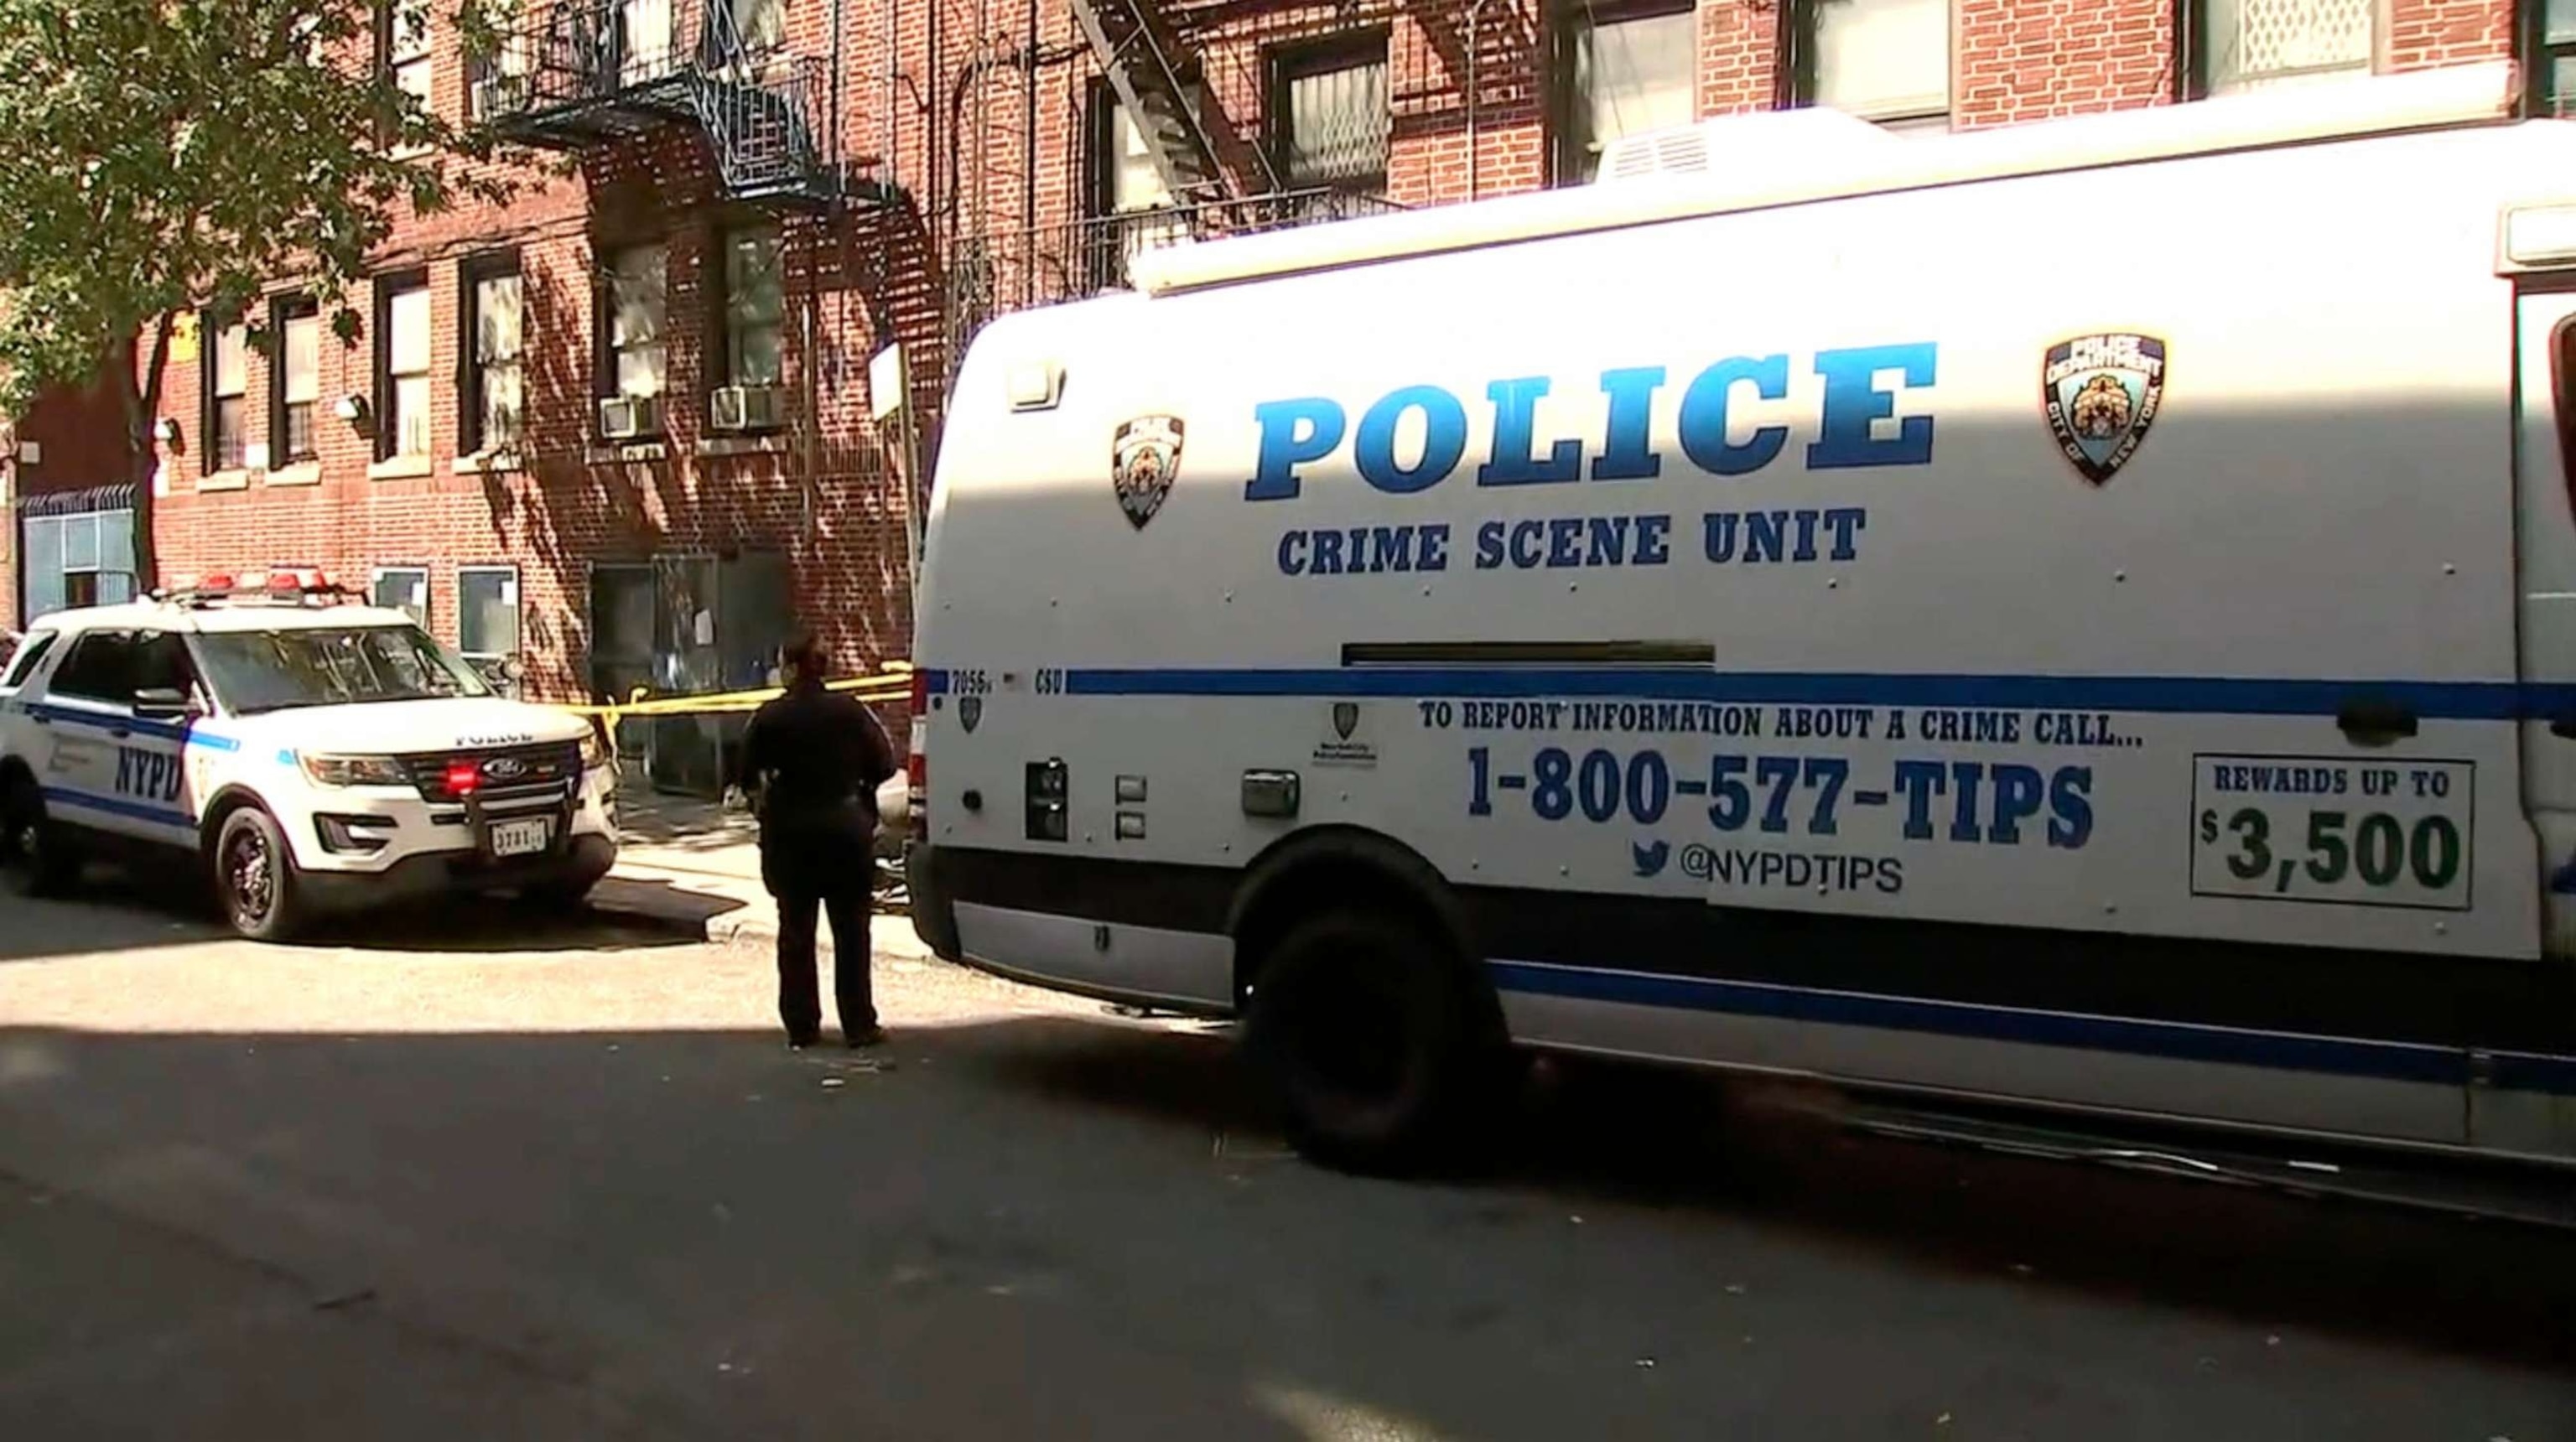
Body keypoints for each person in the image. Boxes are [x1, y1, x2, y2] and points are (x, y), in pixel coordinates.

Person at [738, 633, 897, 1050]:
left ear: (790, 667)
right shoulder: (851, 711)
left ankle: (802, 1026)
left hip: (791, 835)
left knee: (795, 934)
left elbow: (744, 773)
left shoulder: (770, 717)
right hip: (845, 832)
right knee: (851, 934)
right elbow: (884, 763)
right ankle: (859, 1024)